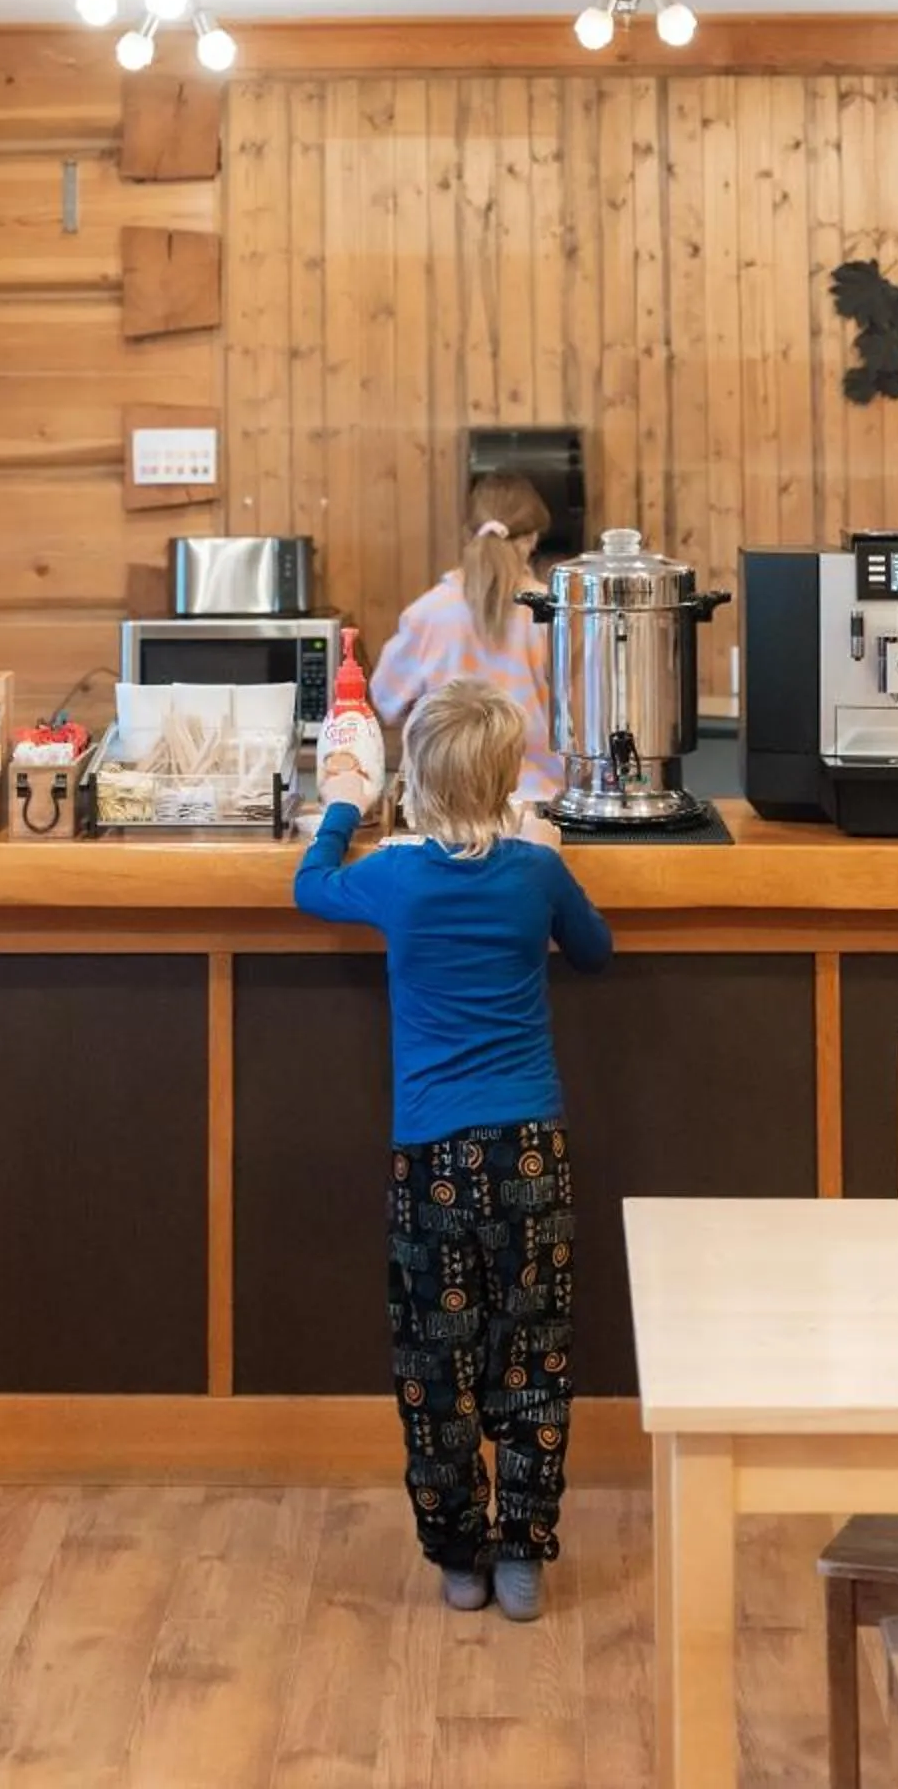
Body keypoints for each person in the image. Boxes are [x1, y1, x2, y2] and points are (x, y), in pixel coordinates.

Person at [292, 677, 613, 1620]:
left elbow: (309, 886)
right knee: (534, 1356)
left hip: (430, 1158)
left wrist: (341, 803)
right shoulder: (535, 873)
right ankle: (524, 1555)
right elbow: (594, 953)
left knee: (438, 1365)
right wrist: (547, 857)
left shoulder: (394, 877)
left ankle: (458, 1559)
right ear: (509, 777)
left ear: (417, 781)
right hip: (530, 1155)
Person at [372, 474, 562, 802]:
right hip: (536, 806)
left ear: (469, 533)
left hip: (442, 805)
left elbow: (385, 697)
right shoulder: (555, 614)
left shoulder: (429, 612)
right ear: (532, 538)